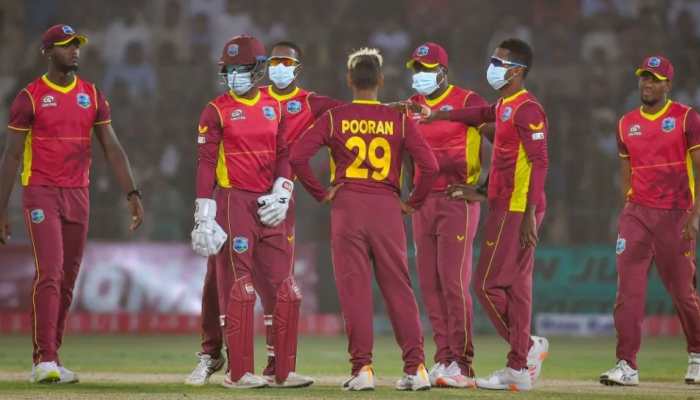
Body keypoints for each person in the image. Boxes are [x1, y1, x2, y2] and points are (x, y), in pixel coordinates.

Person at [186, 40, 340, 388]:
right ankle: (238, 372)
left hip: (270, 203)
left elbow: (285, 152)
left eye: (240, 70)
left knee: (283, 286)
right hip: (233, 200)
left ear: (256, 70)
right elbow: (206, 162)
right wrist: (203, 212)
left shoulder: (275, 107)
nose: (233, 76)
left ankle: (280, 371)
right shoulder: (216, 110)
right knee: (239, 287)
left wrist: (283, 191)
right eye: (228, 70)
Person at [0, 24, 144, 384]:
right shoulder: (29, 97)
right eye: (66, 46)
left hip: (79, 193)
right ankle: (42, 360)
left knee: (67, 279)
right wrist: (1, 208)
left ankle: (53, 356)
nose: (74, 51)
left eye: (76, 44)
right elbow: (11, 156)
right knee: (49, 272)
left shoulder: (92, 95)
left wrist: (132, 193)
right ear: (48, 51)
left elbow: (111, 147)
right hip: (41, 191)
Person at [290, 47, 438, 391]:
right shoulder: (398, 118)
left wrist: (320, 192)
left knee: (355, 291)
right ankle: (416, 369)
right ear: (381, 80)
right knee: (399, 289)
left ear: (349, 80)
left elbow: (298, 156)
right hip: (387, 207)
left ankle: (363, 371)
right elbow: (429, 166)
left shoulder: (335, 117)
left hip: (348, 207)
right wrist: (412, 202)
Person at [418, 38, 549, 391]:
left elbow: (540, 162)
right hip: (504, 203)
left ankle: (524, 351)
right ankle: (519, 369)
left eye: (499, 62)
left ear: (518, 71)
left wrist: (529, 213)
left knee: (485, 285)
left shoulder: (528, 109)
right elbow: (477, 115)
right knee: (518, 288)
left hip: (517, 207)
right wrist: (439, 114)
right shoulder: (505, 105)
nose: (491, 67)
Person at [599, 56, 700, 386]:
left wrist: (696, 214)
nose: (647, 84)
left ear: (668, 84)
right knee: (627, 292)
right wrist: (624, 212)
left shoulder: (687, 119)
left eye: (655, 79)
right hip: (637, 215)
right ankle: (626, 364)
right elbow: (625, 174)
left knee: (682, 293)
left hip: (676, 216)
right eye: (644, 78)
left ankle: (697, 355)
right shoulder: (626, 123)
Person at [404, 42, 489, 388]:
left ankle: (463, 365)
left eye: (426, 69)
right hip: (425, 203)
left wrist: (482, 190)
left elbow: (506, 141)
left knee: (453, 283)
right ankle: (443, 358)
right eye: (416, 69)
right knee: (429, 284)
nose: (420, 76)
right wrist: (410, 195)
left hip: (457, 200)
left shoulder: (468, 101)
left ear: (442, 71)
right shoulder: (412, 107)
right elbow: (406, 154)